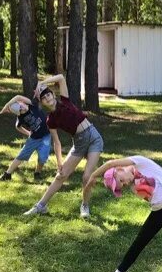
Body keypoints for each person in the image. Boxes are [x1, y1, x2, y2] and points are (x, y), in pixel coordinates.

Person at [84, 156, 162, 272]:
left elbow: (110, 163)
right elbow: (157, 188)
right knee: (139, 243)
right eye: (122, 185)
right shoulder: (134, 186)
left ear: (119, 169)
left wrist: (93, 176)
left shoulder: (139, 162)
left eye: (121, 180)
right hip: (159, 211)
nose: (125, 183)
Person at [23, 74, 104, 219]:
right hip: (79, 143)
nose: (48, 98)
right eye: (44, 98)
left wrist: (42, 82)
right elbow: (57, 142)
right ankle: (40, 206)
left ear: (53, 94)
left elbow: (60, 78)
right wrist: (59, 161)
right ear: (43, 103)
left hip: (94, 138)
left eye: (48, 95)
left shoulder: (65, 100)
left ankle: (85, 205)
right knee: (61, 176)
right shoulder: (51, 120)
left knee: (87, 177)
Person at [0, 95, 61, 182]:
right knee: (21, 155)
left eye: (21, 106)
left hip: (46, 136)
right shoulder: (21, 118)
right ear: (18, 113)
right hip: (33, 139)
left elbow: (17, 97)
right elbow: (18, 127)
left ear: (22, 102)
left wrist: (6, 107)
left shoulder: (32, 104)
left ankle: (37, 173)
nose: (22, 109)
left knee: (43, 158)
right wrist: (28, 133)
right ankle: (7, 174)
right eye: (20, 110)